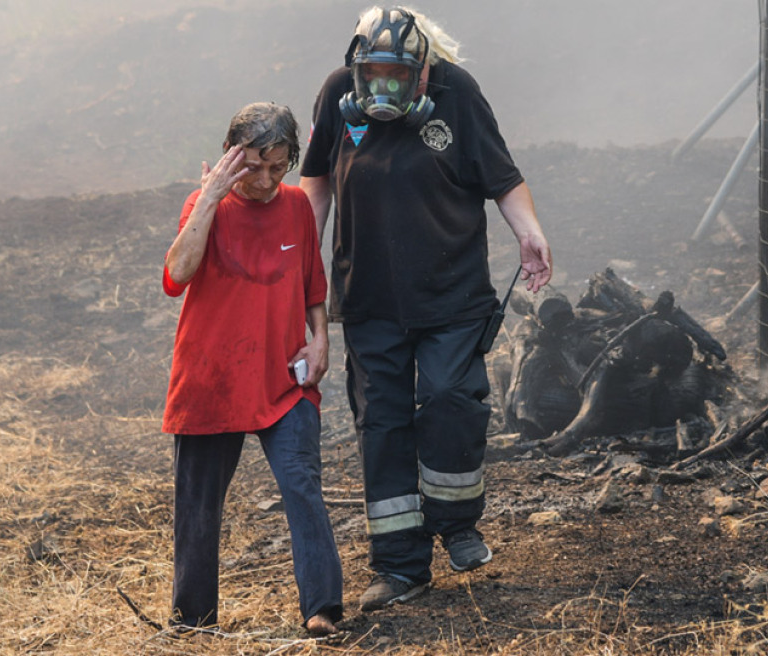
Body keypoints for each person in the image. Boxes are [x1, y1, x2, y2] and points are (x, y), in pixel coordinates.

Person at [298, 6, 553, 612]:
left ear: (424, 70)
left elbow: (502, 177)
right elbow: (315, 184)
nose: (383, 87)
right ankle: (399, 567)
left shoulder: (457, 92)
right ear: (356, 68)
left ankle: (458, 523)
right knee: (381, 425)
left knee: (448, 398)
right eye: (373, 74)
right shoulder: (337, 94)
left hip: (452, 296)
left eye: (398, 75)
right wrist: (301, 274)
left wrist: (530, 232)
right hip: (368, 298)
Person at [162, 102, 344, 635]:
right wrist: (212, 199)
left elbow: (313, 283)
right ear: (230, 157)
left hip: (282, 379)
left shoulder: (295, 208)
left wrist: (321, 339)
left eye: (278, 166)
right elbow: (176, 276)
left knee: (302, 486)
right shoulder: (205, 204)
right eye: (254, 166)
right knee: (198, 508)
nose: (265, 180)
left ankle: (322, 608)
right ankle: (194, 621)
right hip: (210, 379)